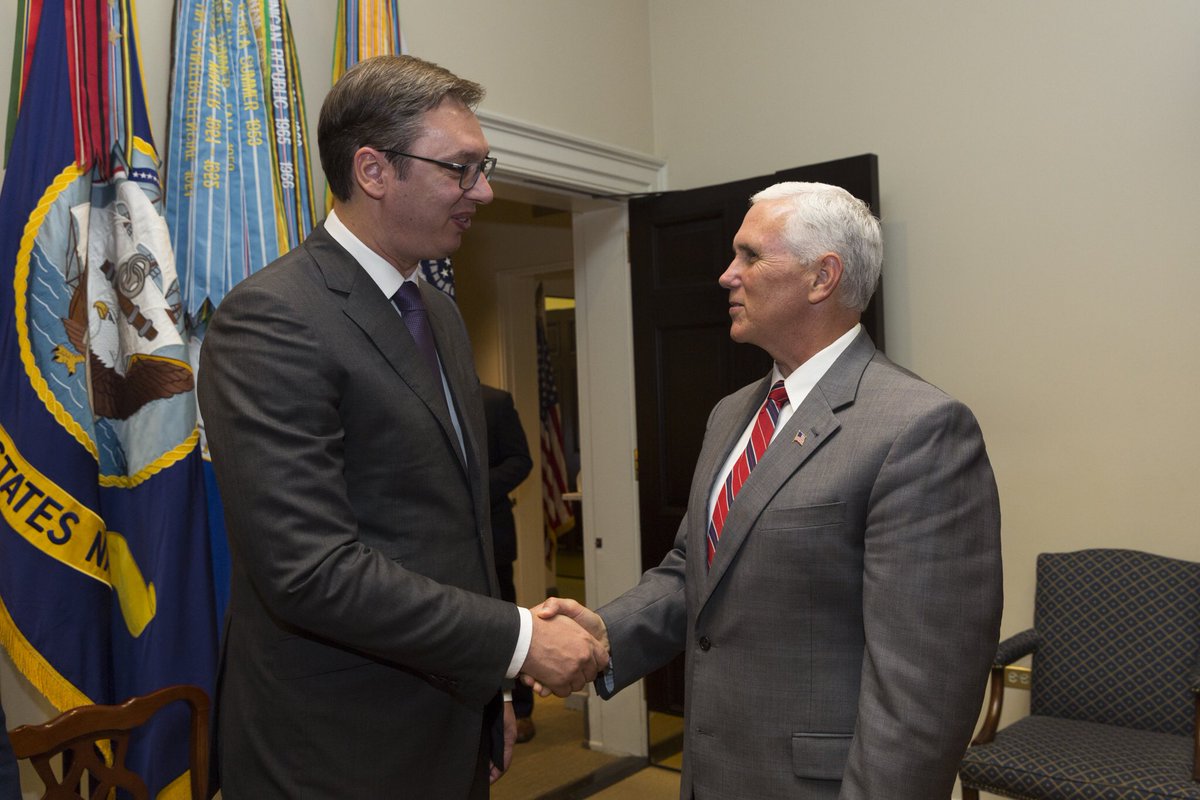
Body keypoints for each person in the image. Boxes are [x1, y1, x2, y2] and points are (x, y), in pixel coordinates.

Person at [198, 55, 607, 799]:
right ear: (374, 170)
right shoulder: (274, 319)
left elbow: (452, 526)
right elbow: (310, 570)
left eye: (484, 168)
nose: (482, 192)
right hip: (336, 749)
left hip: (447, 720)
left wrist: (488, 691)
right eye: (460, 169)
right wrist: (518, 643)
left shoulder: (438, 313)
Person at [534, 182, 1003, 799]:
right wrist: (604, 633)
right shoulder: (732, 414)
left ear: (821, 277)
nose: (728, 275)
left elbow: (922, 692)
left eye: (751, 256)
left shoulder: (920, 430)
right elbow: (691, 573)